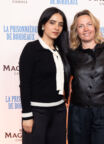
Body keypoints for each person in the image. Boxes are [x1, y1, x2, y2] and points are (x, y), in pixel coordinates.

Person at [68, 9, 104, 144]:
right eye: (80, 26)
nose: (85, 29)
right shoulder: (71, 54)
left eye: (89, 24)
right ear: (76, 30)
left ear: (95, 26)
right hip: (78, 113)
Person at [19, 7, 70, 144]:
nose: (56, 27)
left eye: (60, 24)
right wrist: (27, 115)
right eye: (52, 22)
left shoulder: (62, 51)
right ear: (43, 24)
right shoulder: (31, 49)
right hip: (37, 113)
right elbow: (24, 84)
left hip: (59, 111)